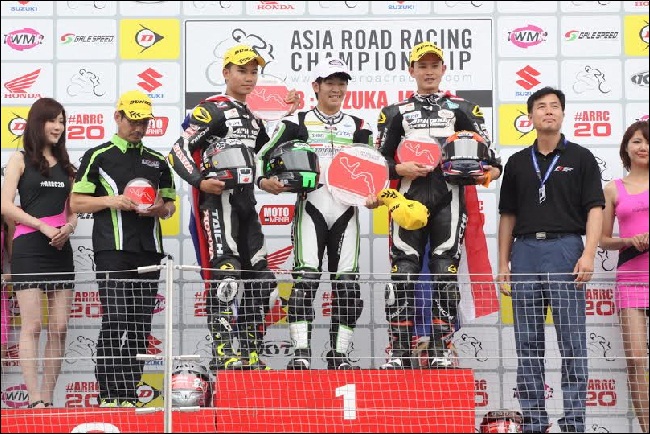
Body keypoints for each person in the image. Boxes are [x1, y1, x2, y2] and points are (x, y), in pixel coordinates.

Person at [376, 41, 501, 369]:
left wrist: (484, 173)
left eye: (434, 65)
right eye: (422, 65)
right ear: (411, 70)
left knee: (445, 270)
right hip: (408, 199)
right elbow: (378, 162)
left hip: (450, 197)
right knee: (403, 270)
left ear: (443, 69)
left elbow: (491, 160)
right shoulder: (394, 112)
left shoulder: (464, 109)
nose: (429, 71)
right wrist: (400, 169)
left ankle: (440, 347)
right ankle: (399, 350)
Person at [497, 86, 605, 433]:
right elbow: (507, 216)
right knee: (527, 344)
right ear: (530, 117)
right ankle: (534, 422)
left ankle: (573, 423)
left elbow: (595, 209)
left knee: (572, 343)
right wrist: (503, 264)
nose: (548, 111)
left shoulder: (581, 157)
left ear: (562, 113)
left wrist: (588, 254)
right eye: (541, 106)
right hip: (525, 253)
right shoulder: (517, 162)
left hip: (566, 251)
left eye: (554, 106)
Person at [256, 57, 375, 370]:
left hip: (347, 211)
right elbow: (264, 155)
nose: (336, 89)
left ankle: (339, 355)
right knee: (306, 280)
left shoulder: (360, 126)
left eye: (341, 83)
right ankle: (301, 354)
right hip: (311, 206)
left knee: (347, 285)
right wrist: (265, 181)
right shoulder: (297, 121)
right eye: (330, 83)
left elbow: (376, 168)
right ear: (316, 87)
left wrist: (375, 195)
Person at [168, 44, 278, 371]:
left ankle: (250, 350)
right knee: (226, 275)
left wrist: (267, 181)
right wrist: (200, 181)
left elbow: (261, 160)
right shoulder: (211, 109)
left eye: (254, 71)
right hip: (218, 204)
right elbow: (178, 150)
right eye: (242, 71)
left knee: (262, 280)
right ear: (226, 73)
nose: (249, 77)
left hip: (247, 205)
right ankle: (223, 350)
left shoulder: (255, 117)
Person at [70, 90, 177, 408]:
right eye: (133, 120)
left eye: (144, 122)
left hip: (149, 249)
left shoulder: (157, 160)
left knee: (140, 324)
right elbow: (76, 202)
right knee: (116, 320)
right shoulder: (98, 155)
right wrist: (111, 201)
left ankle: (129, 393)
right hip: (112, 249)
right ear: (118, 117)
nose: (139, 127)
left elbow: (170, 205)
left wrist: (160, 209)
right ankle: (108, 393)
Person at [0, 97, 77, 408]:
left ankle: (48, 397)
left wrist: (68, 228)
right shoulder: (19, 159)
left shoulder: (68, 166)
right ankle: (34, 400)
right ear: (37, 122)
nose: (58, 126)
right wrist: (42, 226)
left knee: (59, 327)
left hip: (61, 249)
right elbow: (5, 205)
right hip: (29, 247)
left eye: (62, 121)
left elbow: (73, 211)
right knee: (32, 326)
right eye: (52, 120)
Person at [599, 120, 648, 433]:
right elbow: (603, 240)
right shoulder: (612, 189)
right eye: (637, 141)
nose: (643, 147)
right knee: (636, 360)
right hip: (631, 277)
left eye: (648, 142)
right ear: (626, 148)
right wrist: (629, 241)